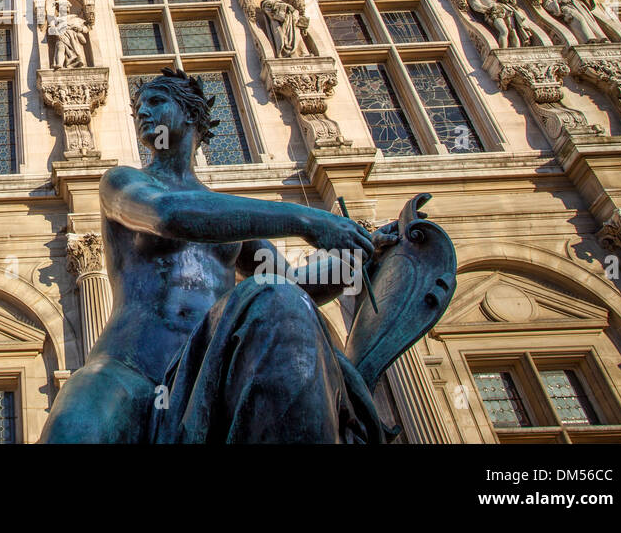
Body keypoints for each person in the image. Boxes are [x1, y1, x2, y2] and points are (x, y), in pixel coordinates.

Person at [40, 67, 386, 443]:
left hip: (206, 370)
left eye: (155, 102)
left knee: (282, 304)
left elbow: (290, 286)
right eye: (139, 106)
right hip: (129, 368)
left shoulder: (224, 213)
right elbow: (169, 214)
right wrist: (305, 220)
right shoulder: (124, 182)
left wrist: (364, 253)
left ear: (189, 114)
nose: (142, 112)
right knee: (74, 427)